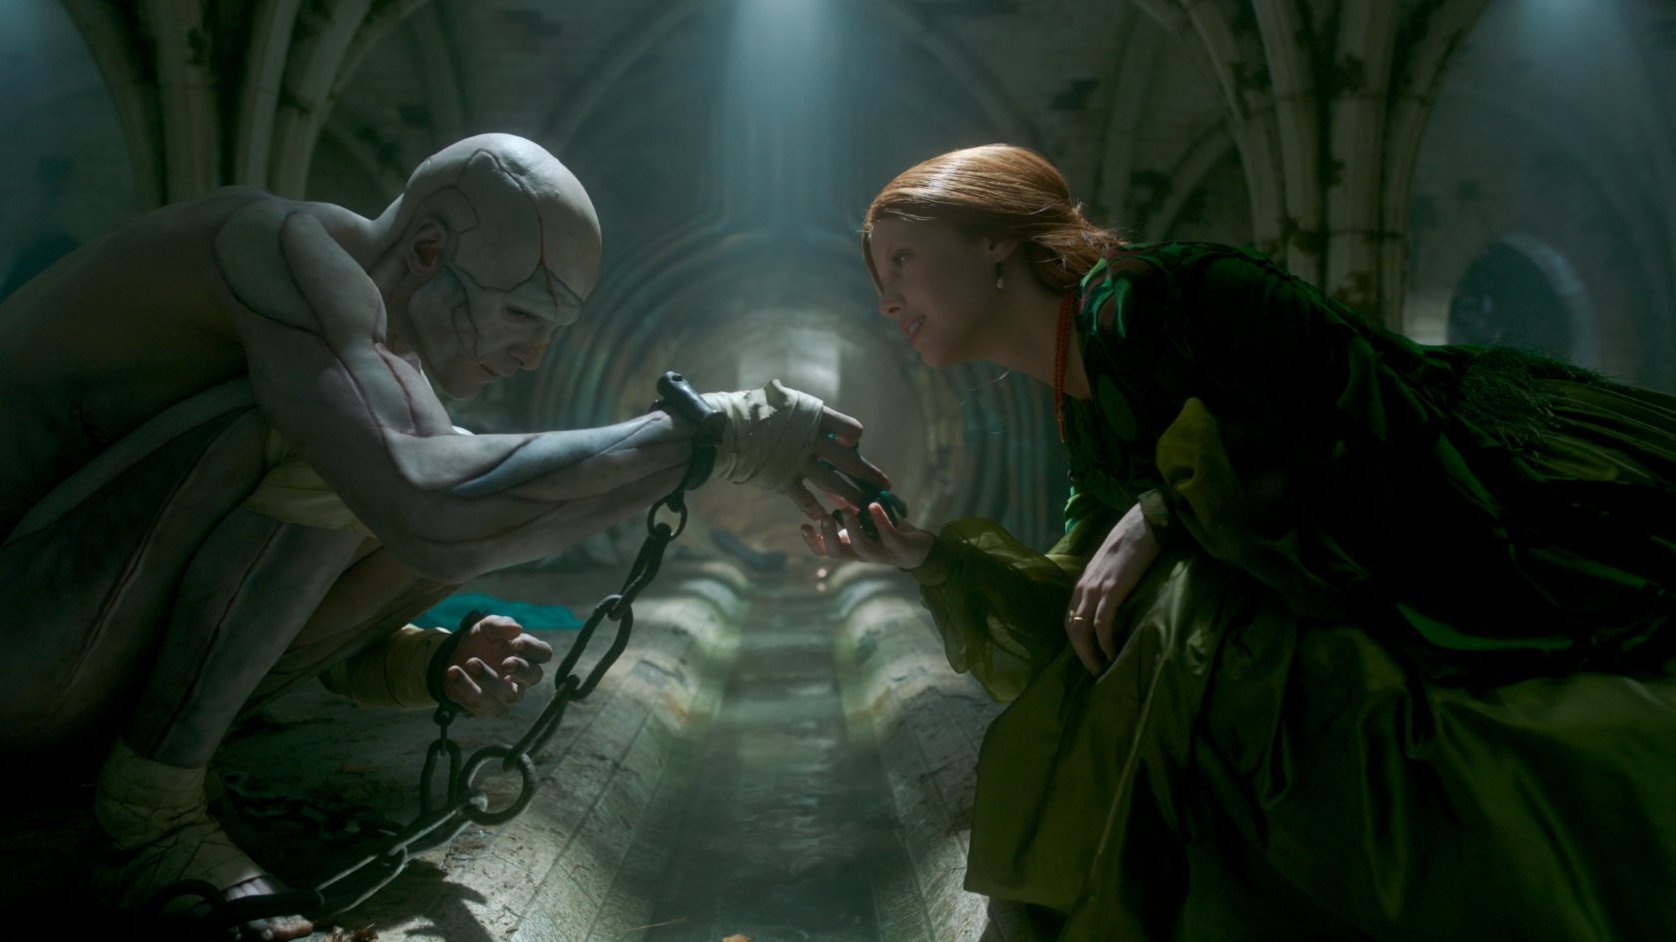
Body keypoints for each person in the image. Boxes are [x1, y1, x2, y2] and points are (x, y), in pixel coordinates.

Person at [0, 132, 885, 938]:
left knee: (445, 466)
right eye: (524, 315)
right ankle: (145, 819)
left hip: (59, 667)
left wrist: (415, 661)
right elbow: (426, 501)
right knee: (374, 455)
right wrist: (713, 431)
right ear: (427, 250)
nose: (532, 355)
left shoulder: (365, 357)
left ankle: (145, 786)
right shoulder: (275, 245)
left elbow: (271, 568)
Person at [804, 143, 1676, 940]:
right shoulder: (1085, 408)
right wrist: (925, 554)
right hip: (1354, 547)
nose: (887, 298)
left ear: (995, 238)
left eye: (903, 259)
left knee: (1204, 635)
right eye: (881, 274)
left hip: (1477, 494)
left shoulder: (1168, 292)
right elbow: (1078, 605)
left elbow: (1358, 428)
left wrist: (1162, 512)